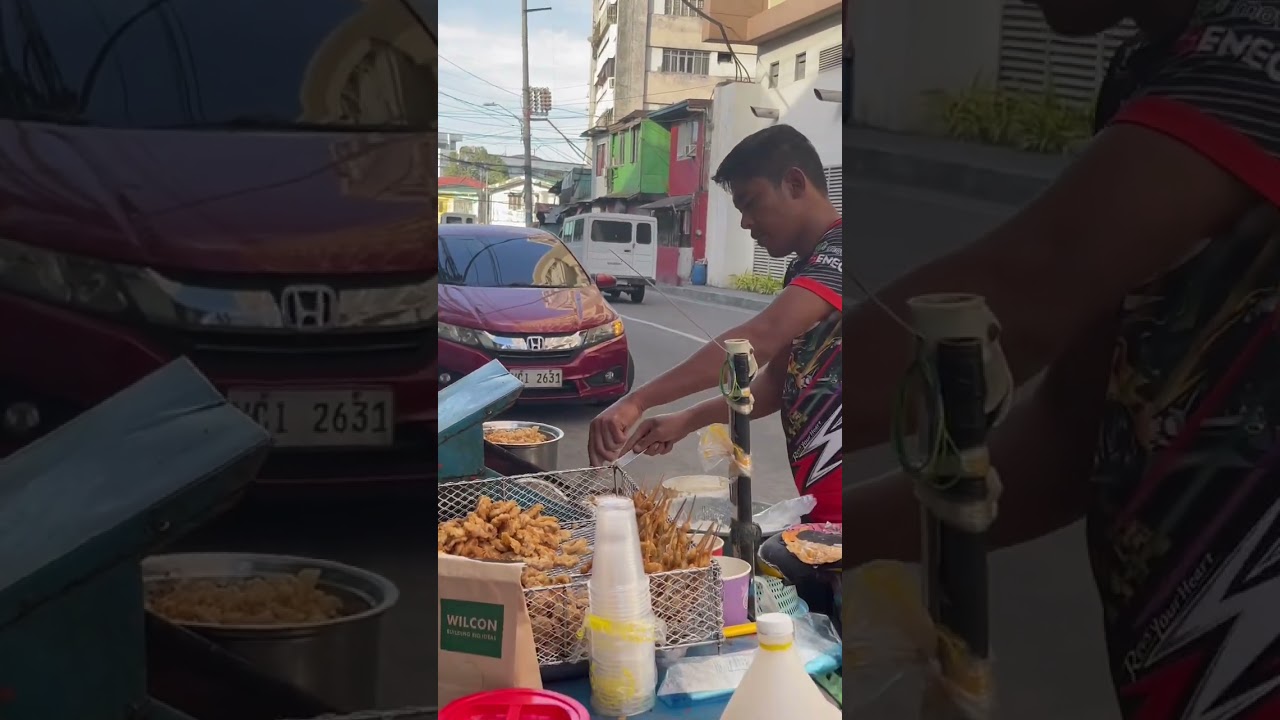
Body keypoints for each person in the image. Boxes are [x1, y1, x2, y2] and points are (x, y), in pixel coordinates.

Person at [842, 0, 1280, 716]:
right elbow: (1076, 433)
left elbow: (1028, 286)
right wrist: (827, 534)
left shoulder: (1258, 45)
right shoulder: (1153, 65)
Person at [588, 124, 843, 524]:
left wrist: (638, 400)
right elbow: (777, 386)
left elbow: (758, 340)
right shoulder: (804, 268)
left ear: (795, 183)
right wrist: (687, 420)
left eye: (751, 202)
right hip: (823, 508)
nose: (745, 222)